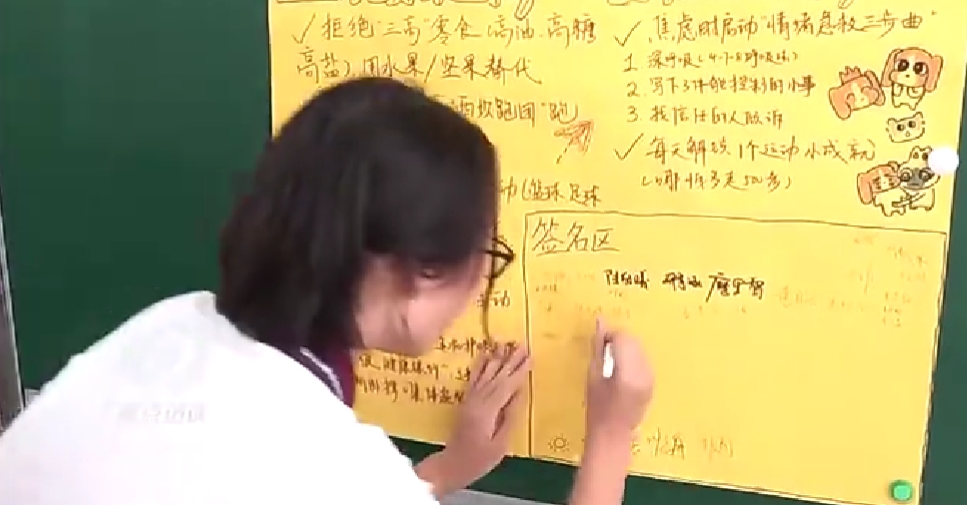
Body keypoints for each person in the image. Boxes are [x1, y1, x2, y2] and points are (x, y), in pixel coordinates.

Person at [0, 77, 654, 505]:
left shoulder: (169, 323)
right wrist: (611, 434)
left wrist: (448, 467)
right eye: (483, 254)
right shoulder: (337, 467)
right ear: (420, 270)